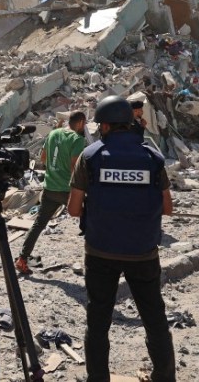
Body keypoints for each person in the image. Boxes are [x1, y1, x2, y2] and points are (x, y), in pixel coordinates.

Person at [67, 95, 176, 382]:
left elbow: (73, 208)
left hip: (100, 251)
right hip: (143, 252)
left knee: (98, 319)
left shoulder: (89, 157)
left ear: (104, 125)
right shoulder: (152, 157)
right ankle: (164, 376)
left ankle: (98, 377)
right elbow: (168, 207)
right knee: (154, 319)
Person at [15, 111, 86, 275]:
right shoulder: (77, 139)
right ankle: (101, 262)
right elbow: (75, 168)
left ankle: (22, 258)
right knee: (90, 219)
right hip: (67, 190)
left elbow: (44, 159)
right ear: (81, 123)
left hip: (49, 188)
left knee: (39, 224)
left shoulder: (53, 133)